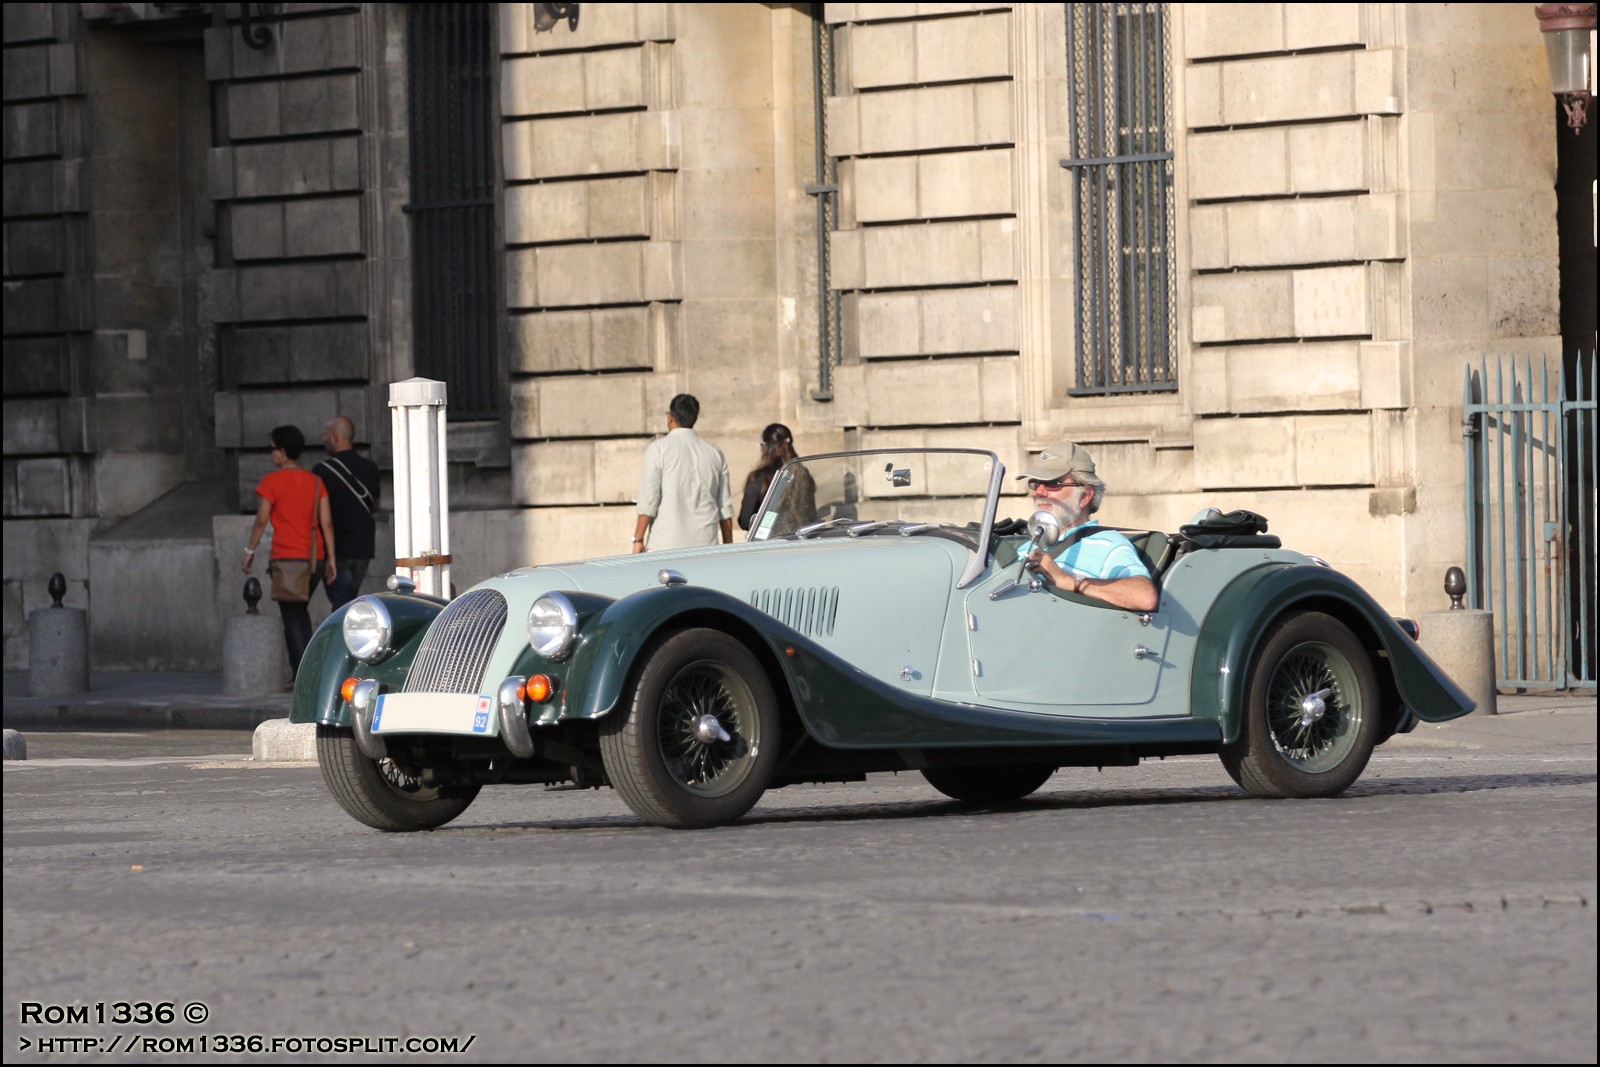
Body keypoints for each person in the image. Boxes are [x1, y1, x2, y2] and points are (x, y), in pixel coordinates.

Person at [1014, 440, 1158, 612]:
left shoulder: (1109, 545)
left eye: (1053, 483)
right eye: (1035, 483)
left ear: (1085, 496)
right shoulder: (1026, 547)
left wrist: (1067, 580)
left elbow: (1144, 596)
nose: (1038, 492)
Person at [243, 425, 337, 679]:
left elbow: (261, 520)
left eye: (273, 449)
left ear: (283, 452)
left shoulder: (272, 482)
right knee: (300, 613)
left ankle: (304, 676)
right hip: (314, 559)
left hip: (287, 561)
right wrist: (331, 558)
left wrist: (249, 551)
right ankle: (310, 670)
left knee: (292, 618)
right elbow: (326, 522)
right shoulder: (316, 482)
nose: (271, 454)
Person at [632, 394, 733, 552]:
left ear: (670, 418)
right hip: (705, 545)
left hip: (665, 545)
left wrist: (638, 538)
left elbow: (649, 501)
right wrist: (728, 545)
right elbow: (724, 507)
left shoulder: (658, 450)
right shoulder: (715, 453)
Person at [313, 415, 381, 610]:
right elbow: (374, 504)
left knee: (341, 605)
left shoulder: (321, 471)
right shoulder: (370, 468)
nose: (323, 439)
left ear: (335, 437)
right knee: (347, 600)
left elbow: (319, 514)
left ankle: (342, 639)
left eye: (325, 435)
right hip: (363, 546)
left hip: (337, 548)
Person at [737, 422, 816, 533]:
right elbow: (811, 516)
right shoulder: (803, 474)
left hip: (769, 542)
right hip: (800, 538)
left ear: (765, 447)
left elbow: (745, 521)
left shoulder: (759, 477)